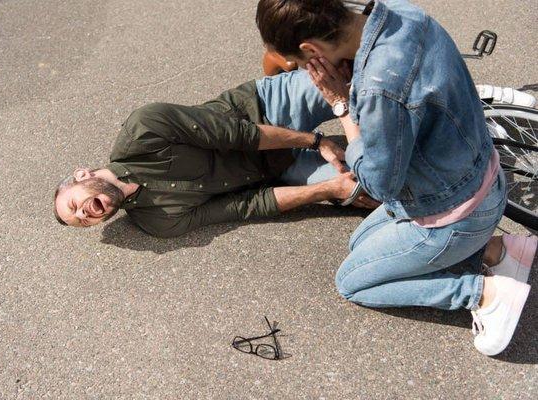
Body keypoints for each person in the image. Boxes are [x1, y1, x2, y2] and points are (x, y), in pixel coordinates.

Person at [255, 0, 534, 356]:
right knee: (359, 243)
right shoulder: (402, 13)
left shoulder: (379, 87)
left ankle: (484, 295)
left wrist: (341, 104)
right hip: (481, 177)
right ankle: (499, 251)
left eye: (300, 62)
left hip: (454, 214)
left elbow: (379, 184)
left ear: (311, 49)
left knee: (352, 282)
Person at [53, 70, 378, 237]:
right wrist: (329, 189)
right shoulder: (158, 221)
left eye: (73, 205)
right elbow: (247, 205)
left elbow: (240, 134)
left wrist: (316, 141)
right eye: (82, 222)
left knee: (361, 85)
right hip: (276, 168)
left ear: (83, 175)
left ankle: (290, 68)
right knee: (372, 186)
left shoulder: (143, 129)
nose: (84, 214)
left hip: (264, 110)